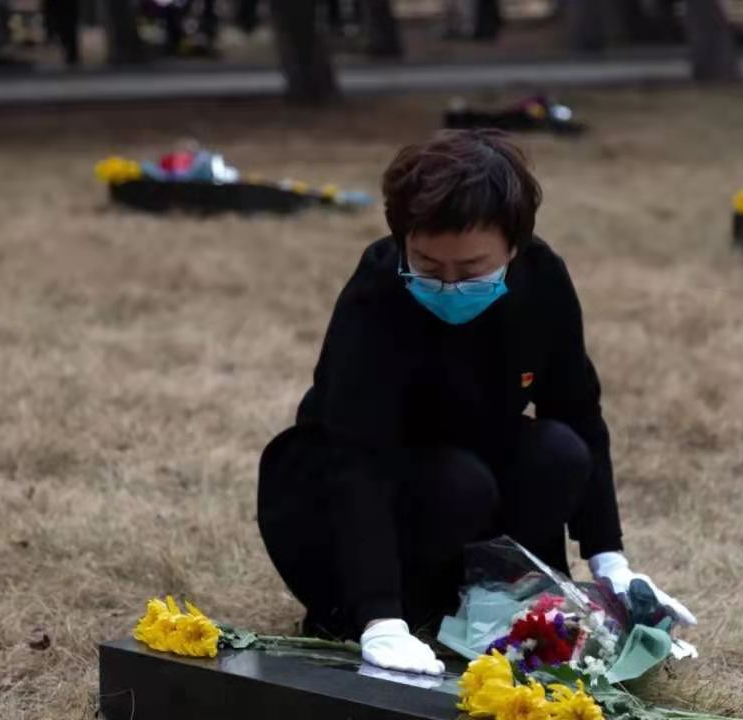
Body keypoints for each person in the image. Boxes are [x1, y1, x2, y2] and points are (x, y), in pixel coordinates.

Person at [257, 130, 696, 676]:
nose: (448, 285)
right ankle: (391, 611)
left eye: (470, 271)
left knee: (557, 452)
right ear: (403, 239)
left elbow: (578, 412)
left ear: (514, 247)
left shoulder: (542, 281)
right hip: (347, 498)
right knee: (459, 482)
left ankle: (505, 599)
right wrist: (379, 617)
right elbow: (355, 460)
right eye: (427, 266)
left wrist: (612, 564)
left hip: (467, 469)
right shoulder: (377, 294)